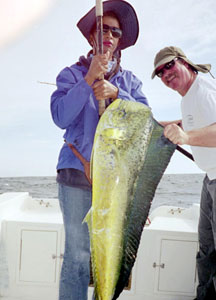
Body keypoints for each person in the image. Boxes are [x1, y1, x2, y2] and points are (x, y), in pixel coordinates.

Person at [50, 1, 149, 299]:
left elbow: (144, 120)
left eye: (115, 31)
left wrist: (117, 94)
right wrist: (89, 79)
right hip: (76, 176)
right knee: (78, 257)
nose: (109, 35)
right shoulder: (70, 74)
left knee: (108, 257)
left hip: (114, 182)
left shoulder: (129, 82)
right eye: (102, 29)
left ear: (120, 40)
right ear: (92, 35)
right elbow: (60, 117)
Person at [152, 46, 216, 300]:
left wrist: (186, 137)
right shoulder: (188, 97)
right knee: (207, 249)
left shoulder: (204, 91)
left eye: (169, 65)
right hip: (209, 178)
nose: (166, 73)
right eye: (160, 72)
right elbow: (187, 122)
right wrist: (158, 124)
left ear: (185, 63)